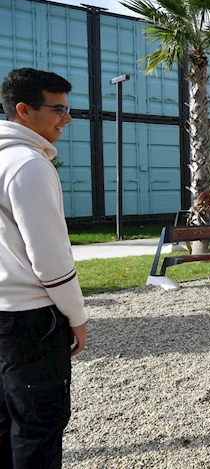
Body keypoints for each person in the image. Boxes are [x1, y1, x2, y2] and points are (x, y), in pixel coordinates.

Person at [0, 68, 87, 468]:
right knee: (39, 427)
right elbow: (51, 260)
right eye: (58, 109)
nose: (67, 119)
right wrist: (77, 315)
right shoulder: (29, 166)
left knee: (7, 423)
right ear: (23, 110)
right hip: (30, 321)